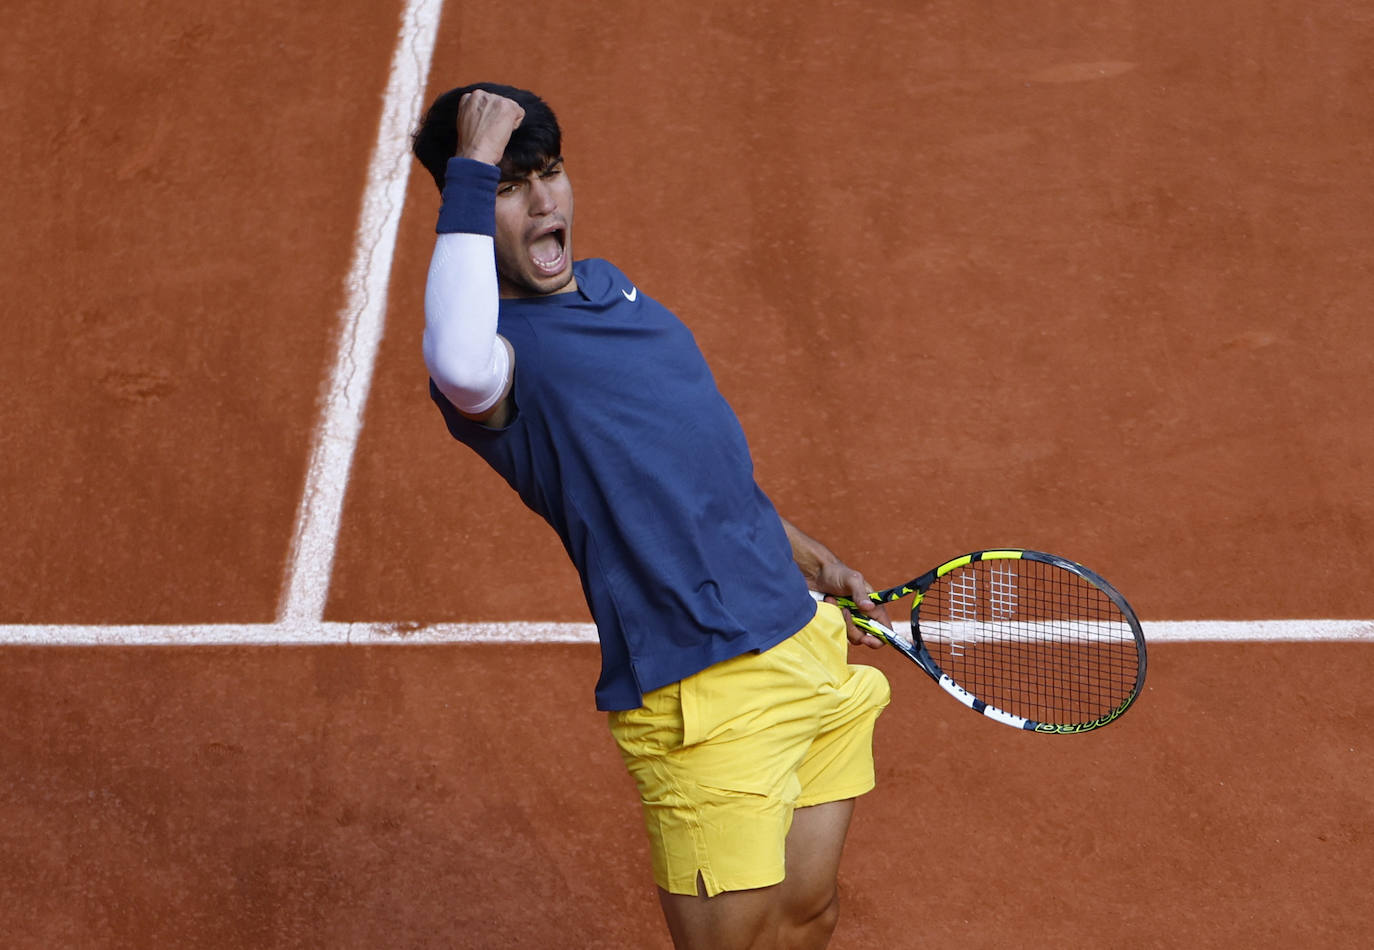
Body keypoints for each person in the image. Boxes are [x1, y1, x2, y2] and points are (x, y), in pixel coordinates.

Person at [412, 82, 892, 950]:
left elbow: (690, 467)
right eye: (510, 187)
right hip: (702, 691)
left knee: (808, 919)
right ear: (471, 207)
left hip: (804, 644)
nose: (543, 199)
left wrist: (804, 559)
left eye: (549, 173)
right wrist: (472, 165)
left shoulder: (608, 291)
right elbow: (454, 353)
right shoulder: (502, 365)